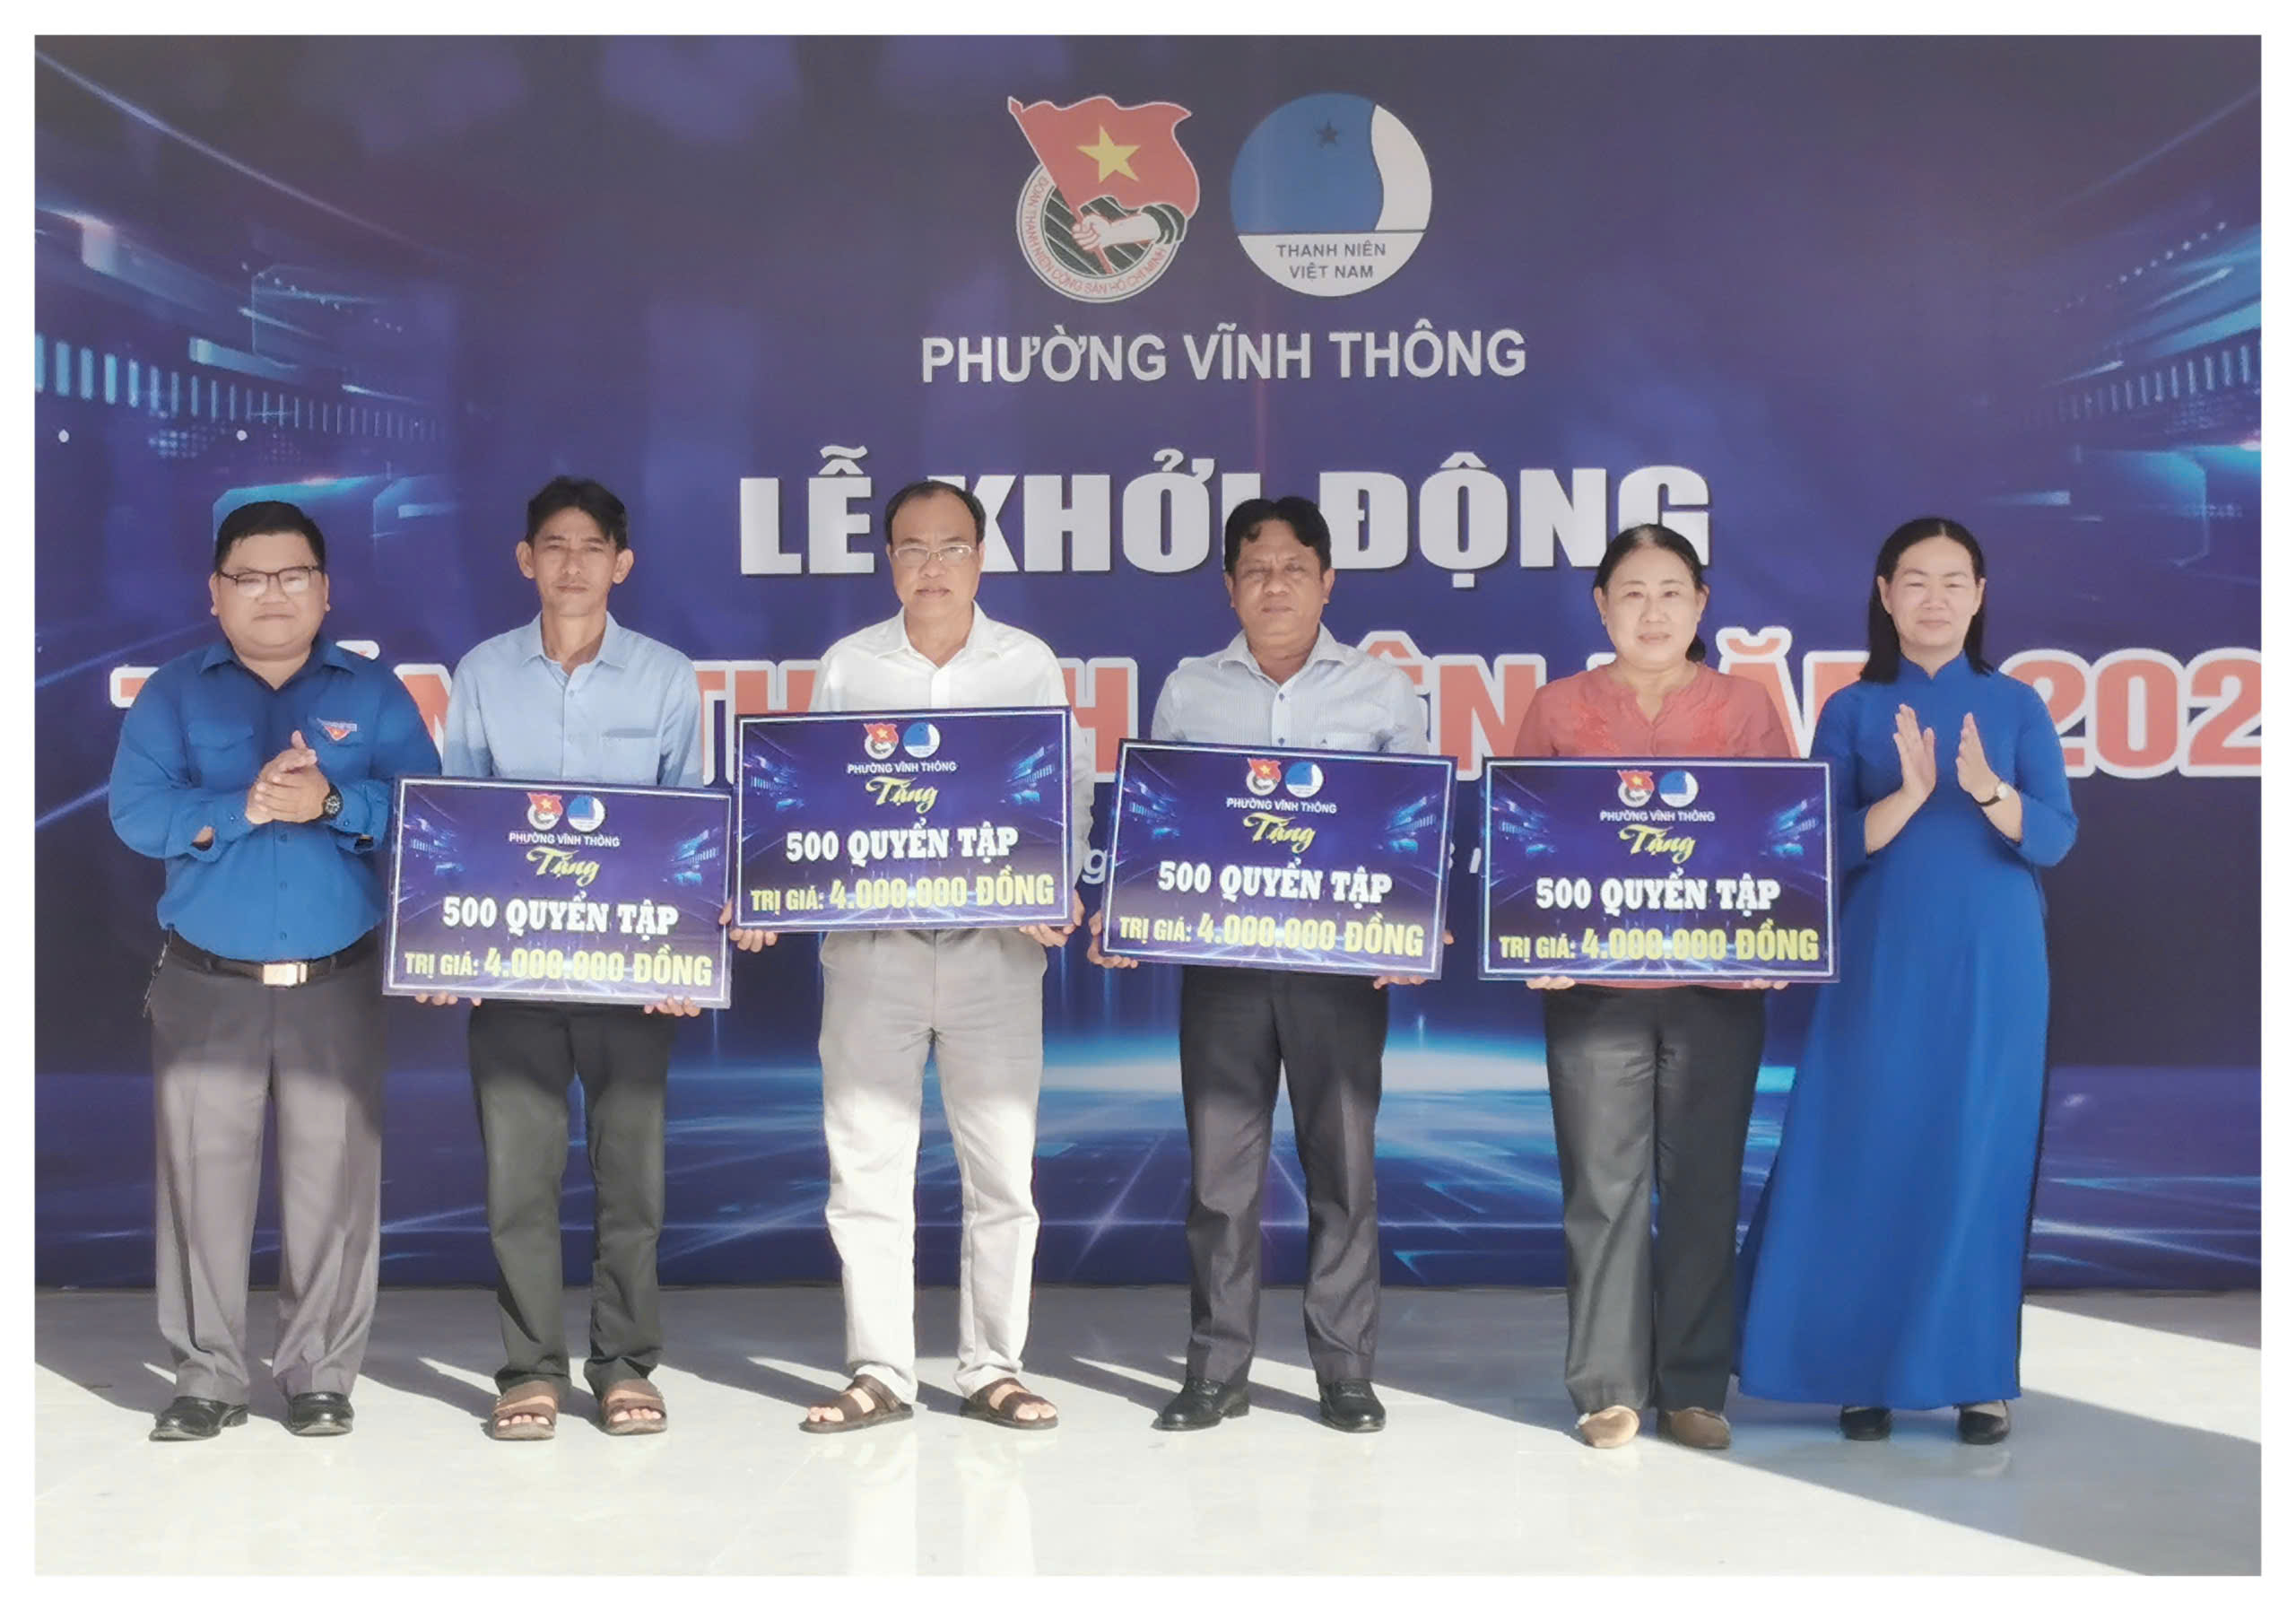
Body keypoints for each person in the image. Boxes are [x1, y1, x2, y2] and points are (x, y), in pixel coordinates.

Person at [425, 475, 769, 1441]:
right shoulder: (483, 672)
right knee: (517, 1185)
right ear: (524, 558)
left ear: (622, 564)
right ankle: (529, 1371)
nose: (571, 564)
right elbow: (460, 818)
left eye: (591, 548)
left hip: (632, 976)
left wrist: (684, 952)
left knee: (633, 1185)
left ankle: (625, 1365)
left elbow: (688, 818)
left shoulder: (663, 675)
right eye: (554, 545)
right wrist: (445, 944)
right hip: (514, 972)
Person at [1091, 494, 1432, 1436]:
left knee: (1344, 1172)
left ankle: (1345, 1373)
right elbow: (1158, 823)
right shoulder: (1190, 690)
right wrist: (1128, 905)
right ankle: (1216, 1370)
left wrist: (1414, 922)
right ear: (1229, 588)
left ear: (1327, 582)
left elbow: (1412, 824)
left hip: (1341, 973)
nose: (1274, 584)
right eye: (1255, 569)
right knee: (1220, 1177)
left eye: (1293, 568)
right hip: (1223, 971)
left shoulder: (1382, 690)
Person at [1736, 517, 2076, 1446]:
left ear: (1979, 595)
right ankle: (1862, 1372)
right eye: (1915, 580)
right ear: (1884, 595)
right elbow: (1815, 845)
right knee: (1868, 1150)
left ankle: (1975, 1377)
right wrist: (1907, 798)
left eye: (1953, 580)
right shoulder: (1852, 709)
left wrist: (1988, 790)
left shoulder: (2016, 705)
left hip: (1993, 963)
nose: (1935, 597)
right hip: (1880, 957)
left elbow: (2054, 836)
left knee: (1977, 1155)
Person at [109, 500, 439, 1441]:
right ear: (215, 593)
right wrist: (243, 806)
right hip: (206, 982)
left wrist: (333, 800)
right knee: (200, 1188)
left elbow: (428, 810)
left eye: (293, 575)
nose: (272, 594)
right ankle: (207, 1375)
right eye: (249, 578)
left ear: (325, 590)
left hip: (334, 982)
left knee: (333, 1188)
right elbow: (137, 813)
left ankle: (318, 1373)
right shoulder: (174, 693)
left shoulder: (374, 694)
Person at [798, 479, 1094, 1435]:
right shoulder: (849, 666)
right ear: (889, 559)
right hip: (872, 954)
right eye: (913, 548)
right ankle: (880, 1369)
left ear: (981, 557)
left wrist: (1055, 883)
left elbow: (1066, 785)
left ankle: (992, 1366)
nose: (933, 566)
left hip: (995, 954)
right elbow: (814, 796)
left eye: (951, 547)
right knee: (866, 1169)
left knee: (1002, 1172)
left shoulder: (1026, 661)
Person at [1507, 523, 1792, 1452]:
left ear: (1701, 604)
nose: (1653, 611)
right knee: (1601, 1189)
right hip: (1592, 988)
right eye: (1632, 592)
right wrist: (1528, 936)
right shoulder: (1557, 707)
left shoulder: (1745, 706)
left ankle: (1694, 1386)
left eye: (1672, 591)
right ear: (1602, 606)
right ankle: (1608, 1387)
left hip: (1718, 989)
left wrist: (1779, 935)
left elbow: (1783, 839)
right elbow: (1522, 841)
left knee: (1703, 1188)